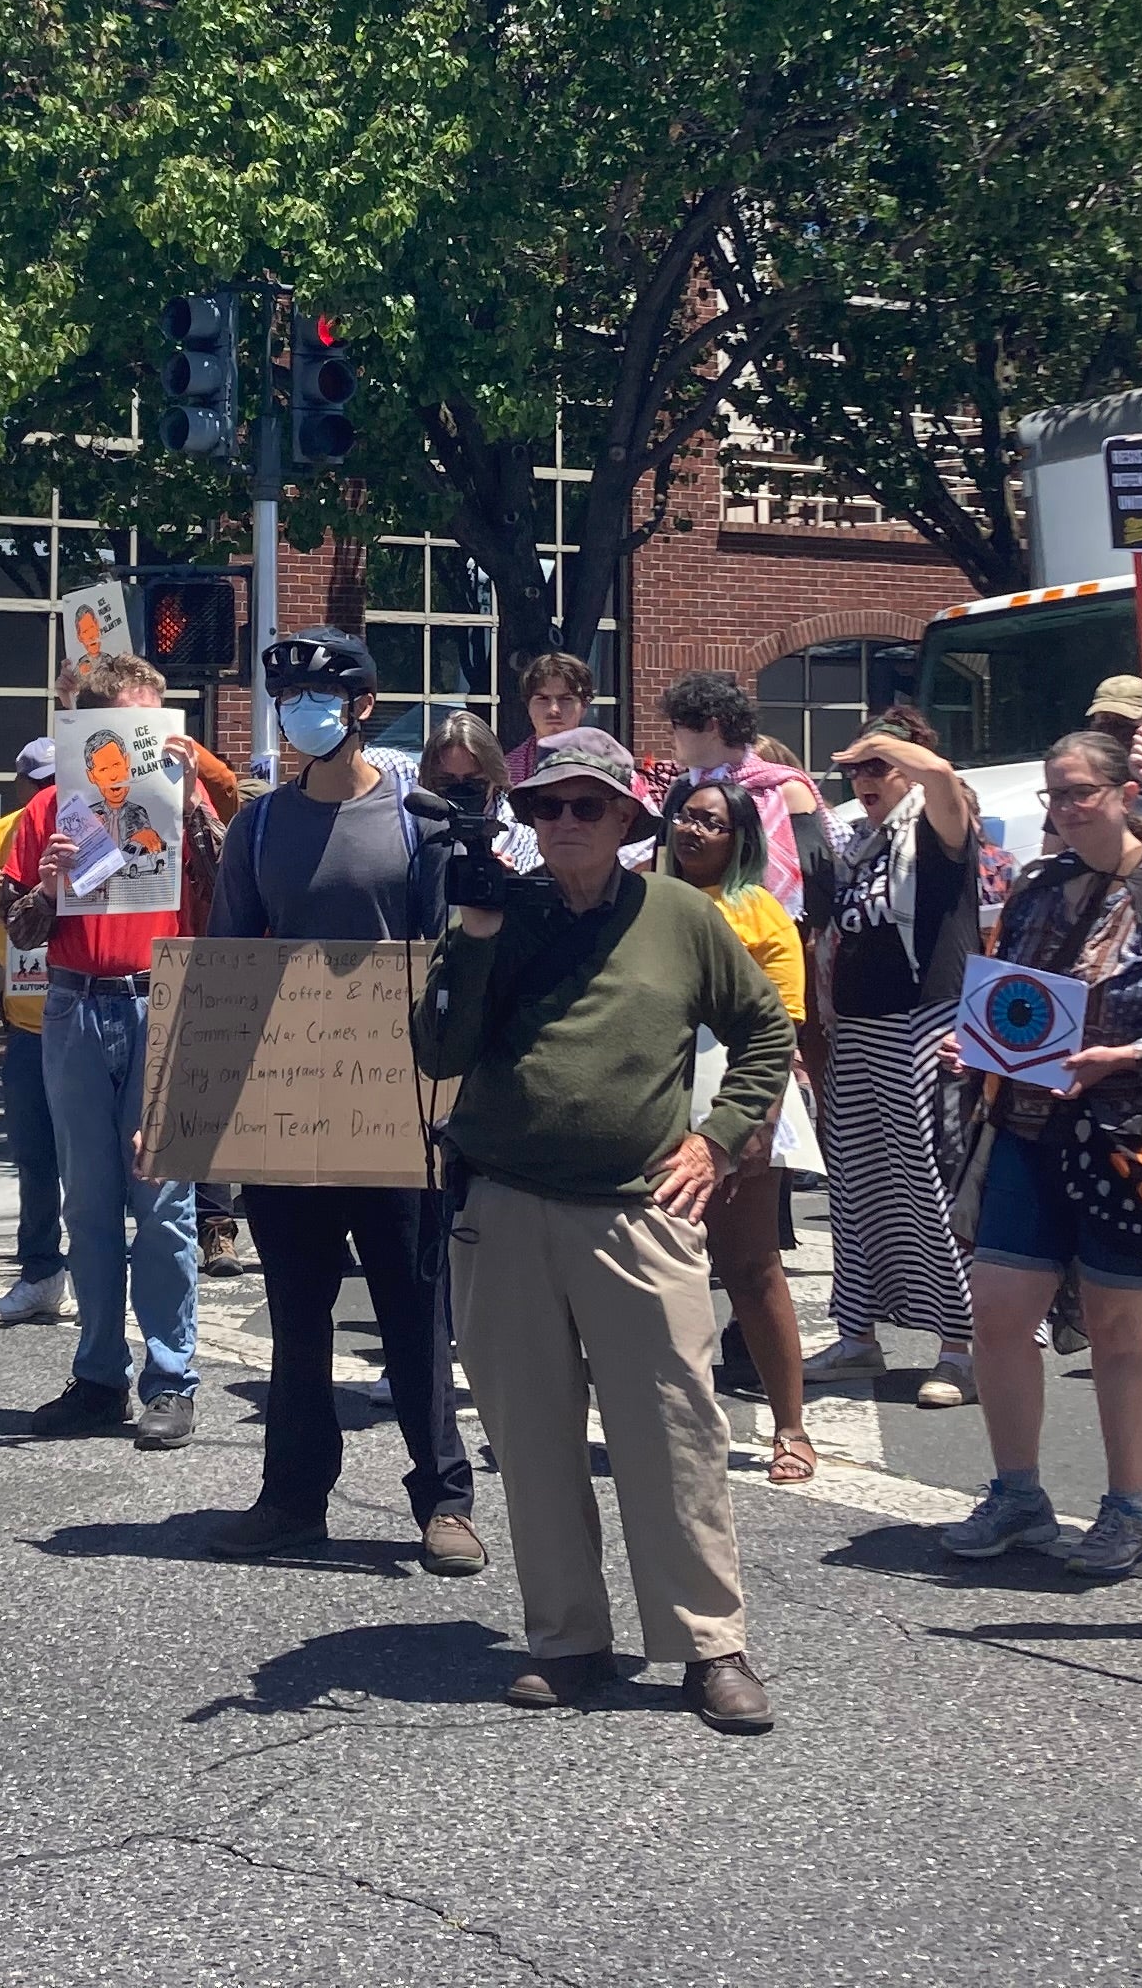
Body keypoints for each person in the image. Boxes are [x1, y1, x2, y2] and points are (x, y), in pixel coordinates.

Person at [414, 726, 790, 1728]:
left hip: (640, 1211)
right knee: (531, 1439)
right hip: (505, 1205)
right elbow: (437, 1049)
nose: (566, 821)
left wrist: (718, 1139)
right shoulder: (503, 911)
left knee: (675, 1434)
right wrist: (477, 934)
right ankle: (567, 1637)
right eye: (547, 806)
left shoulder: (681, 915)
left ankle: (709, 1644)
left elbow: (765, 1029)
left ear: (629, 818)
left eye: (588, 805)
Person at [199, 630, 482, 1572]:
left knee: (414, 1310)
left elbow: (449, 965)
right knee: (297, 1312)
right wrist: (187, 1113)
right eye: (287, 700)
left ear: (363, 706)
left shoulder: (419, 821)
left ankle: (444, 1500)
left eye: (318, 698)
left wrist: (457, 1106)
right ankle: (292, 1496)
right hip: (287, 1104)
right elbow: (226, 973)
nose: (300, 715)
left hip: (398, 1104)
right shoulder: (259, 828)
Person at [939, 728, 1142, 1578]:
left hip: (1128, 1142)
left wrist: (1124, 1058)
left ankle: (1128, 1509)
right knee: (996, 1313)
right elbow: (1007, 995)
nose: (1066, 807)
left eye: (1081, 790)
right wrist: (975, 1045)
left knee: (1120, 1328)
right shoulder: (1038, 885)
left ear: (1126, 793)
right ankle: (1019, 1494)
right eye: (1056, 793)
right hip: (1026, 1131)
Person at [0, 652, 241, 1449]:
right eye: (132, 727)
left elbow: (228, 886)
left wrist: (191, 793)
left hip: (162, 997)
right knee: (89, 1202)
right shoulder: (47, 808)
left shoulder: (184, 794)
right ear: (93, 729)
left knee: (163, 1201)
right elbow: (19, 931)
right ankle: (99, 1374)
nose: (146, 743)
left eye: (156, 725)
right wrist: (48, 885)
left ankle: (170, 1378)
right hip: (73, 1001)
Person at [812, 706, 981, 1409]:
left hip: (924, 1023)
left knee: (931, 1185)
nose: (864, 778)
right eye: (855, 769)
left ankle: (962, 1349)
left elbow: (940, 778)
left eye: (878, 766)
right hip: (856, 1027)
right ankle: (857, 1335)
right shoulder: (859, 841)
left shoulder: (940, 829)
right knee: (855, 1183)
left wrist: (900, 749)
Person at [658, 771, 816, 1484]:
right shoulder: (641, 897)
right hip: (652, 1097)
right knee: (660, 1272)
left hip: (738, 1098)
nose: (693, 830)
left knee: (750, 1268)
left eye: (712, 823)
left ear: (740, 840)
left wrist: (758, 1122)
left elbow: (783, 1027)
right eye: (686, 817)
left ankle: (791, 1428)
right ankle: (672, 1423)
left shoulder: (760, 911)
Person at [0, 738, 71, 1327]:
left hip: (88, 1011)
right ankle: (40, 1271)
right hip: (28, 1026)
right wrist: (7, 883)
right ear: (25, 786)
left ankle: (101, 1272)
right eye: (42, 782)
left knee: (99, 1162)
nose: (50, 792)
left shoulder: (93, 822)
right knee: (34, 1159)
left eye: (59, 779)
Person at [657, 667, 831, 930]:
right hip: (689, 927)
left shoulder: (784, 790)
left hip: (767, 931)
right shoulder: (682, 789)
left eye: (676, 726)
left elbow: (816, 881)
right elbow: (663, 864)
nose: (671, 737)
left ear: (712, 726)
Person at [423, 711, 539, 872]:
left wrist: (510, 880)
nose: (461, 792)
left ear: (495, 779)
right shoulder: (413, 836)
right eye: (446, 782)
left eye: (474, 783)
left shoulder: (527, 841)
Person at [507, 651, 595, 786]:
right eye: (543, 699)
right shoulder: (504, 774)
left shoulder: (611, 769)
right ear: (528, 705)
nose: (554, 709)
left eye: (566, 699)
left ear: (584, 706)